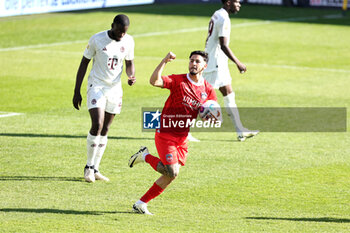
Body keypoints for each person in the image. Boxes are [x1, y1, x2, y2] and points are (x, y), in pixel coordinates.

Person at [128, 51, 217, 215]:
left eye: (197, 61)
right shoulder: (178, 80)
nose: (193, 64)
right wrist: (164, 61)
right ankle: (146, 156)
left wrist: (210, 119)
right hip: (166, 133)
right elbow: (154, 81)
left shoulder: (208, 89)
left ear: (205, 65)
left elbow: (211, 112)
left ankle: (141, 203)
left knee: (170, 175)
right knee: (172, 171)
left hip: (182, 137)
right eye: (191, 61)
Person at [73, 14, 136, 183]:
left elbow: (129, 63)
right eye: (119, 31)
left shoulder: (129, 41)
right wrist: (76, 90)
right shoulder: (97, 39)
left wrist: (131, 76)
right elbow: (84, 63)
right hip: (97, 86)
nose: (122, 35)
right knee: (97, 124)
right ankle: (88, 167)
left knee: (106, 128)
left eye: (125, 32)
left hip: (115, 89)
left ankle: (95, 168)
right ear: (112, 25)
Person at [204, 0, 259, 142]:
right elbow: (223, 45)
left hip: (216, 60)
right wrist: (238, 62)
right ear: (229, 2)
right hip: (215, 62)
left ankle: (240, 130)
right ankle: (180, 130)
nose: (239, 4)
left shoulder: (218, 13)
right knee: (196, 97)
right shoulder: (224, 18)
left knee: (228, 93)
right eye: (237, 1)